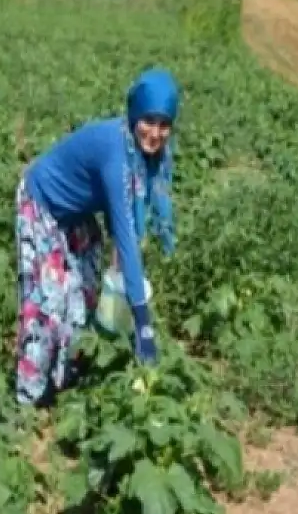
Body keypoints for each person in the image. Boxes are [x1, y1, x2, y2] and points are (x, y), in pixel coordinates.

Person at [13, 68, 180, 406]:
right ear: (134, 115)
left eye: (164, 124)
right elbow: (125, 230)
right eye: (148, 120)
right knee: (46, 302)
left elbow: (133, 218)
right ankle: (27, 401)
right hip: (42, 202)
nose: (155, 133)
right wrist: (143, 322)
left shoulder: (150, 158)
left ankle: (63, 382)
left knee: (83, 294)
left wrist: (124, 285)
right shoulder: (115, 154)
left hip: (77, 215)